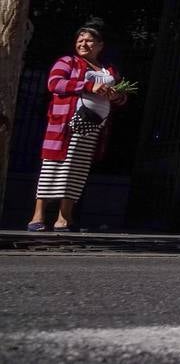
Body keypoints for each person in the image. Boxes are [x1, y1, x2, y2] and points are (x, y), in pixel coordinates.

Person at [28, 18, 126, 232]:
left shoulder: (109, 70)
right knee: (53, 168)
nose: (83, 43)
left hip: (93, 129)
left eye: (89, 41)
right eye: (80, 40)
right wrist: (90, 86)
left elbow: (122, 97)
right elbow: (55, 83)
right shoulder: (67, 62)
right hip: (65, 126)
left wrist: (116, 95)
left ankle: (64, 219)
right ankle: (38, 217)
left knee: (77, 170)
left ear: (100, 46)